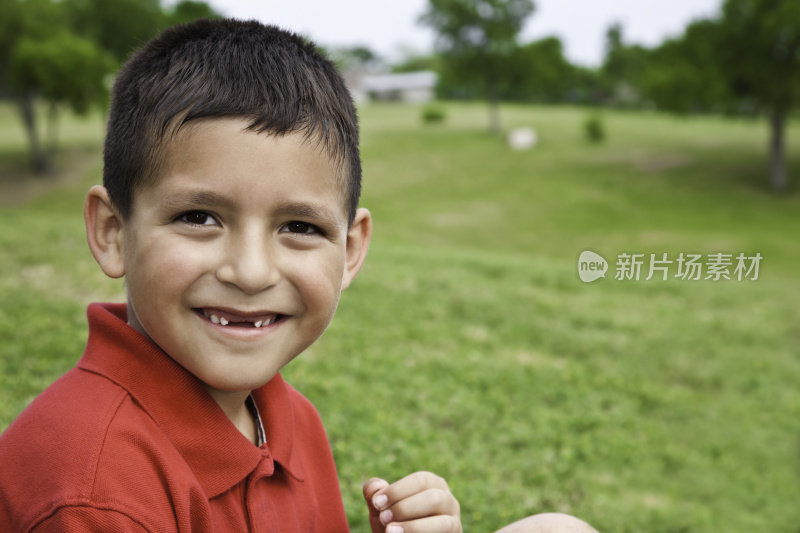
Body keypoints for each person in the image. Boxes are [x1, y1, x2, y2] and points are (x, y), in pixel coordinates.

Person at [0, 19, 597, 533]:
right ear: (112, 231)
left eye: (299, 227)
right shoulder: (92, 489)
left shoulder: (288, 418)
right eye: (198, 217)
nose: (251, 271)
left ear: (351, 249)